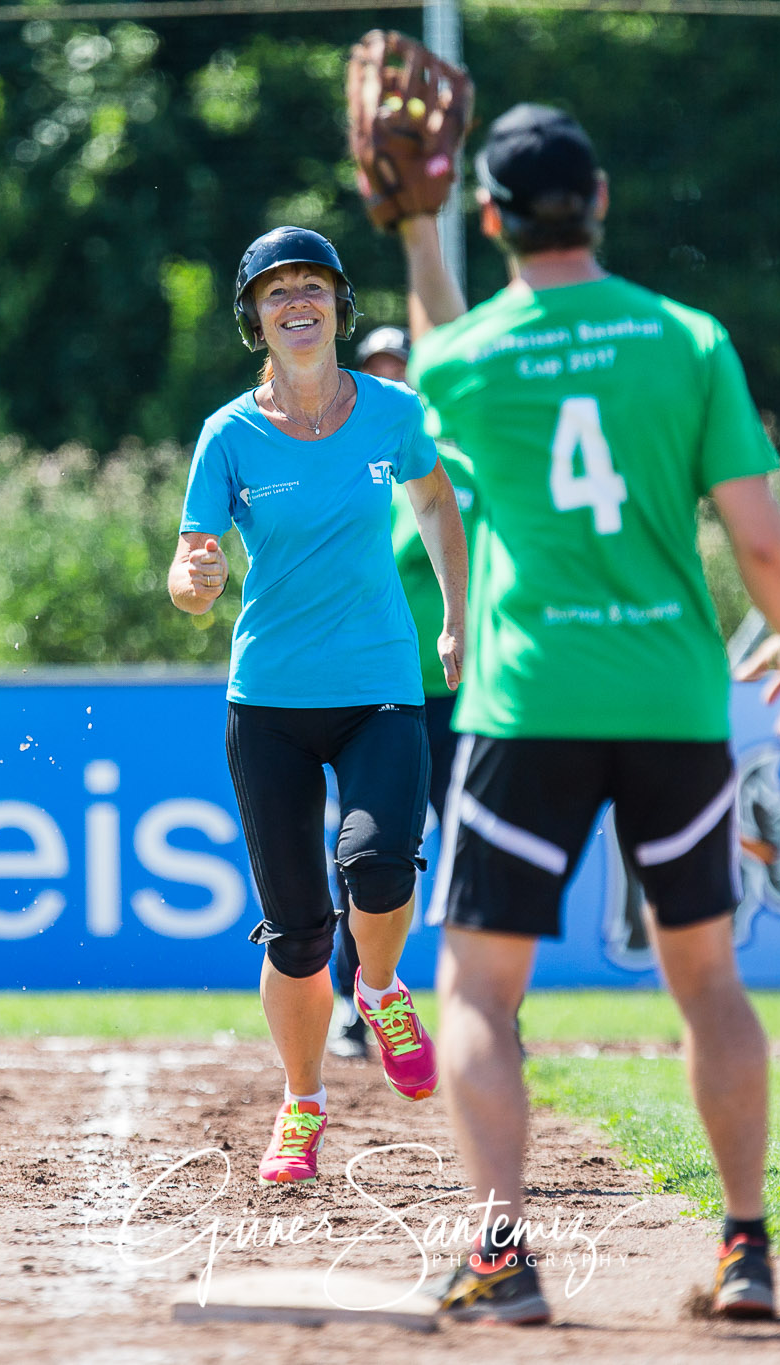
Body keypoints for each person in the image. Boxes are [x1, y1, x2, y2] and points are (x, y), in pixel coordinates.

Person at [399, 106, 780, 1323]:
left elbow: (443, 360)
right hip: (672, 699)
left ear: (493, 218)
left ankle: (501, 1257)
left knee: (476, 991)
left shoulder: (465, 360)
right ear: (602, 201)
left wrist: (416, 234)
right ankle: (744, 1249)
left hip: (529, 702)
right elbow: (756, 538)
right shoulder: (685, 339)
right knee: (705, 979)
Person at [166, 226, 470, 1184]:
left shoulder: (391, 411)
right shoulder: (228, 434)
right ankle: (301, 1105)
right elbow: (189, 568)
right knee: (297, 930)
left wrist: (458, 620)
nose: (295, 302)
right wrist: (197, 579)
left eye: (312, 287)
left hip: (382, 684)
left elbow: (436, 507)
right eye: (275, 290)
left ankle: (379, 988)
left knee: (379, 866)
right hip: (269, 701)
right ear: (254, 319)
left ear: (340, 306)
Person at [327, 325, 477, 1062]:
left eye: (403, 367)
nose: (395, 379)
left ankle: (486, 1007)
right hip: (388, 692)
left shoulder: (463, 464)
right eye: (382, 369)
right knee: (368, 857)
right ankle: (353, 1005)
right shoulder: (371, 472)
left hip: (468, 696)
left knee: (480, 854)